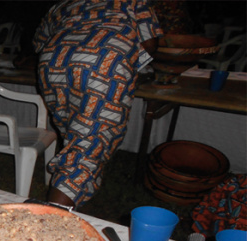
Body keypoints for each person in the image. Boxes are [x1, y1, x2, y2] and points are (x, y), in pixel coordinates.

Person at [33, 0, 163, 208]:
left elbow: (39, 42)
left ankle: (66, 194)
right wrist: (131, 67)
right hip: (104, 59)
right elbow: (150, 43)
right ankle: (52, 217)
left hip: (54, 61)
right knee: (88, 144)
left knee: (75, 136)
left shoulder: (63, 4)